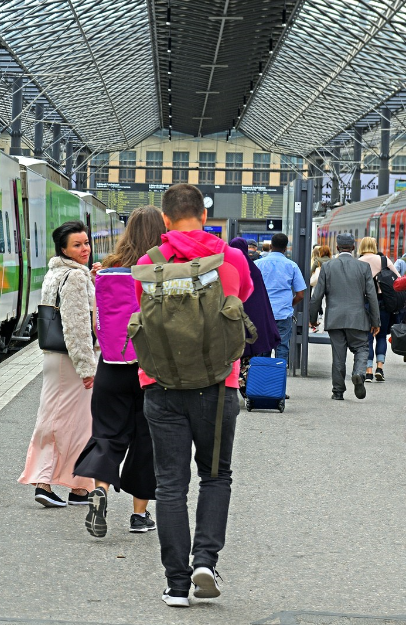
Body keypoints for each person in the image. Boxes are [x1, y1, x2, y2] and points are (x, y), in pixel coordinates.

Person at [135, 184, 252, 608]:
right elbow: (240, 305)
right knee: (216, 475)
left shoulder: (150, 262)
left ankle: (176, 583)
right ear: (205, 215)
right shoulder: (232, 259)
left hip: (161, 386)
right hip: (219, 385)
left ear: (165, 220)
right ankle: (205, 561)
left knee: (170, 485)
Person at [74, 206, 162, 537]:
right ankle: (139, 516)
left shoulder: (108, 270)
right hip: (149, 370)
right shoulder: (160, 269)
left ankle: (101, 491)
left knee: (108, 436)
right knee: (146, 439)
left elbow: (99, 321)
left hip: (111, 366)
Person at [19, 220, 97, 507]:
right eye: (77, 245)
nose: (85, 248)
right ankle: (43, 482)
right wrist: (87, 368)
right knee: (62, 422)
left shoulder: (57, 273)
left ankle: (79, 488)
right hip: (71, 360)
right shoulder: (75, 278)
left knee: (75, 423)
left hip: (57, 358)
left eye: (86, 242)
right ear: (64, 249)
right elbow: (77, 326)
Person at [309, 233, 379, 400]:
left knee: (338, 356)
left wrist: (313, 318)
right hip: (357, 318)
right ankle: (359, 374)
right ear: (354, 248)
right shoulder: (363, 268)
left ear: (337, 248)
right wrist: (376, 321)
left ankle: (338, 391)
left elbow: (316, 296)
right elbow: (371, 295)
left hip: (335, 318)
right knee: (362, 348)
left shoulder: (327, 267)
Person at [229, 236, 280, 394]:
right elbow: (260, 299)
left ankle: (232, 383)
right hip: (252, 321)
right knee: (248, 356)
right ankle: (248, 388)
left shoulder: (228, 267)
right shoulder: (254, 269)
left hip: (231, 319)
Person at [255, 233, 307, 362]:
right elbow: (300, 294)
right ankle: (279, 378)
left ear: (271, 246)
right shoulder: (292, 266)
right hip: (283, 313)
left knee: (263, 349)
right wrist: (289, 304)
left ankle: (262, 379)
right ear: (285, 248)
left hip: (263, 314)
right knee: (282, 348)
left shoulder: (257, 264)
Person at [357, 236, 398, 381]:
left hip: (365, 303)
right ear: (374, 246)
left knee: (367, 338)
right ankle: (379, 368)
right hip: (383, 303)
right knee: (381, 336)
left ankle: (368, 371)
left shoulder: (358, 262)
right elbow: (398, 279)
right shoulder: (384, 260)